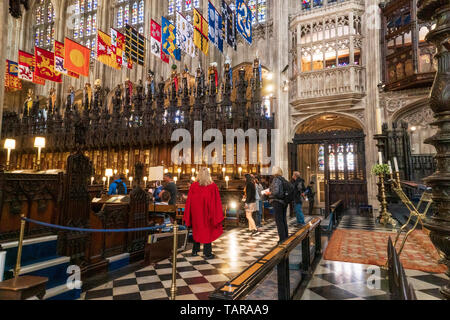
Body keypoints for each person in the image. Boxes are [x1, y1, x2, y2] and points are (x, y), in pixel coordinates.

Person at [184, 168, 224, 259]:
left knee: (196, 231)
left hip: (196, 214)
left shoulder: (194, 185)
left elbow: (189, 201)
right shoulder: (212, 186)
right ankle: (207, 253)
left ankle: (195, 251)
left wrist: (189, 214)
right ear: (208, 175)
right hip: (207, 214)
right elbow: (216, 201)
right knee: (207, 232)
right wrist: (215, 214)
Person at [265, 167, 289, 243]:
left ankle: (282, 239)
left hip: (277, 202)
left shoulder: (276, 179)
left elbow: (275, 192)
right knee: (283, 220)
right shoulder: (282, 179)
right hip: (283, 202)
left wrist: (269, 193)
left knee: (279, 221)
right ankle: (286, 237)